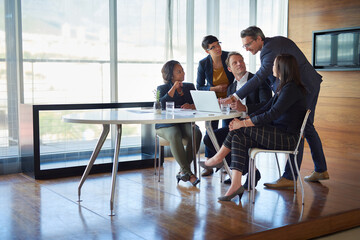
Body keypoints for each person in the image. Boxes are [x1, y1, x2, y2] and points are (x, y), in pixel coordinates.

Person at [222, 26, 329, 188]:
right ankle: (320, 169)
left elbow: (260, 77)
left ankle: (290, 176)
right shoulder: (270, 47)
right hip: (303, 85)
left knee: (301, 127)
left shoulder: (270, 48)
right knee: (306, 127)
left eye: (248, 44)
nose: (246, 48)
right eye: (244, 45)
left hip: (305, 86)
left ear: (259, 39)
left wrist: (236, 96)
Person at [200, 54, 307, 201]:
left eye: (274, 64)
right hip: (279, 134)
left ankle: (218, 157)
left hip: (287, 138)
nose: (271, 67)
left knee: (238, 129)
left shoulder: (291, 89)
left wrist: (242, 123)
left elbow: (271, 114)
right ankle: (236, 184)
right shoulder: (284, 87)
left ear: (282, 68)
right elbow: (267, 108)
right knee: (238, 135)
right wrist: (246, 118)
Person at [201, 51, 272, 185]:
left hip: (256, 126)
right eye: (235, 62)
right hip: (238, 126)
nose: (240, 64)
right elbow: (229, 114)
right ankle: (249, 171)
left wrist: (245, 108)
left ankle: (242, 172)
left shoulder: (258, 81)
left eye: (241, 60)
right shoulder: (232, 87)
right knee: (210, 137)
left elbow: (267, 106)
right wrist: (222, 106)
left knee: (234, 138)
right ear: (229, 69)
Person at [156, 60, 202, 186]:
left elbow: (199, 104)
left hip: (184, 122)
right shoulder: (162, 88)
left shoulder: (189, 86)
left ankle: (183, 171)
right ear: (171, 75)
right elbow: (160, 105)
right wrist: (173, 88)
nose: (183, 73)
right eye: (179, 71)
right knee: (174, 133)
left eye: (182, 70)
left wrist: (191, 106)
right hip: (166, 125)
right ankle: (189, 173)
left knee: (196, 133)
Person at [196, 35, 234, 177]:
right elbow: (199, 86)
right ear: (207, 51)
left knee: (227, 130)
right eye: (213, 47)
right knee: (210, 129)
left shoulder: (229, 57)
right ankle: (209, 163)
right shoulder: (203, 64)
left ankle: (227, 163)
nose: (217, 48)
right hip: (212, 101)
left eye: (218, 44)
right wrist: (215, 89)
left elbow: (238, 76)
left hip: (230, 100)